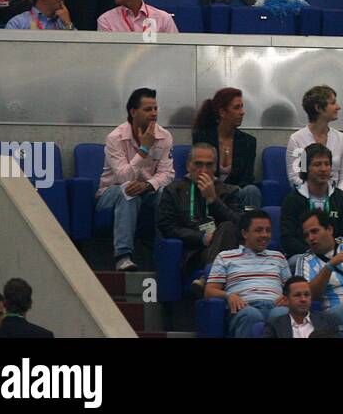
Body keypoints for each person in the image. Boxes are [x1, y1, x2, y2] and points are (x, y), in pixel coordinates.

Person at [98, 88, 173, 271]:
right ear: (133, 112)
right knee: (127, 191)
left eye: (155, 109)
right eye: (148, 110)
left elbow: (167, 174)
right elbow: (124, 177)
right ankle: (123, 256)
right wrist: (144, 149)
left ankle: (164, 253)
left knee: (167, 194)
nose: (154, 114)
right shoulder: (115, 138)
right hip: (111, 194)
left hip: (146, 192)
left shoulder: (164, 136)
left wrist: (148, 185)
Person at [155, 142, 243, 284]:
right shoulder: (173, 191)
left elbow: (240, 225)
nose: (203, 170)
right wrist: (201, 237)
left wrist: (213, 199)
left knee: (227, 227)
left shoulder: (229, 191)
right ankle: (210, 277)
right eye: (198, 164)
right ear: (188, 165)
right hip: (192, 252)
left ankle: (207, 278)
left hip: (225, 252)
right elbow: (167, 227)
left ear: (215, 167)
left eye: (209, 165)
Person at [204, 209, 291, 338]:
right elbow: (209, 291)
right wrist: (229, 296)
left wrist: (288, 298)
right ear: (245, 233)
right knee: (252, 315)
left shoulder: (278, 257)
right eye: (259, 230)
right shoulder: (225, 257)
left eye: (268, 230)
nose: (265, 235)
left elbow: (291, 289)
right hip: (244, 306)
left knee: (282, 314)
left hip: (274, 306)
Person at [191, 87, 262, 210]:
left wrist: (230, 193)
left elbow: (247, 179)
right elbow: (201, 173)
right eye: (236, 107)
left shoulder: (248, 142)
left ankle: (249, 226)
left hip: (235, 195)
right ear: (223, 112)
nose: (242, 112)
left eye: (242, 107)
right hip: (208, 191)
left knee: (252, 190)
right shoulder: (203, 137)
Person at [279, 144, 343, 255]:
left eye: (327, 164)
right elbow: (288, 238)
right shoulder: (292, 200)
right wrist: (314, 254)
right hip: (303, 255)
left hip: (336, 255)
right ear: (306, 168)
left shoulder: (341, 198)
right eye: (317, 164)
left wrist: (332, 254)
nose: (323, 169)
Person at [285, 85, 343, 195]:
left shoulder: (341, 138)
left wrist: (339, 196)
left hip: (337, 197)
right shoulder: (297, 139)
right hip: (307, 197)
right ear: (318, 108)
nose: (338, 107)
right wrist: (315, 195)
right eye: (333, 103)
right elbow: (296, 177)